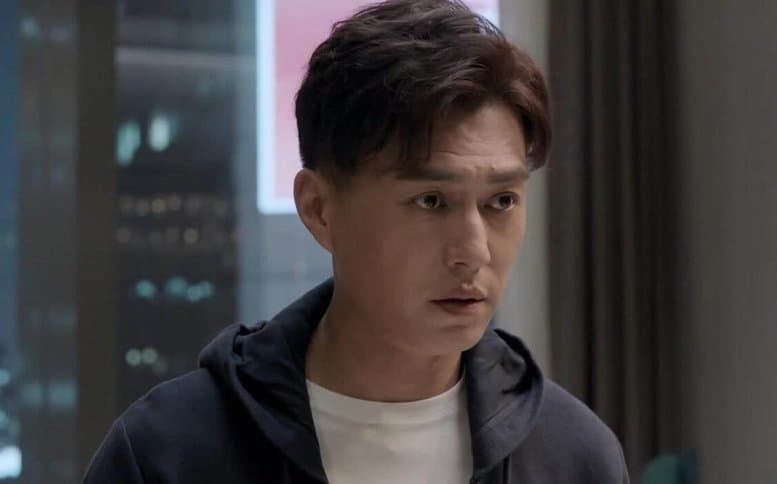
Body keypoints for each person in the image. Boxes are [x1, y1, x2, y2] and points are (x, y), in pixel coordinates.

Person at [84, 1, 629, 482]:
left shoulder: (572, 456)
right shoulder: (169, 453)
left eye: (502, 201)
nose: (474, 251)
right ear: (319, 209)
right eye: (431, 201)